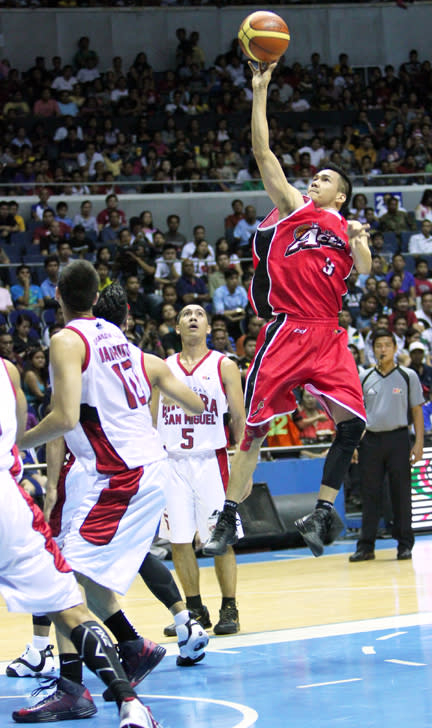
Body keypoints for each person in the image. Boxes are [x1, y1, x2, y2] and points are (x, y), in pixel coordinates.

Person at [18, 261, 207, 718]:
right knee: (83, 574)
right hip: (138, 467)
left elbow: (63, 418)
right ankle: (131, 645)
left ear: (58, 296)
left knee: (63, 578)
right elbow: (196, 402)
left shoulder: (67, 339)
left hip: (120, 473)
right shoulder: (117, 336)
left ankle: (75, 689)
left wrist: (14, 442)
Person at [203, 60, 371, 560]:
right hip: (288, 331)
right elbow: (262, 152)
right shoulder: (298, 210)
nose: (312, 181)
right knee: (252, 428)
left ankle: (322, 512)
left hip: (328, 334)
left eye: (322, 179)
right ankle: (229, 515)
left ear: (341, 194)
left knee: (353, 424)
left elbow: (363, 267)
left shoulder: (346, 229)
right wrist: (260, 90)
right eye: (312, 177)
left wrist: (361, 241)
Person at [0, 357, 162, 728]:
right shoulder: (8, 371)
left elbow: (59, 424)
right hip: (11, 501)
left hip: (104, 478)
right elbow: (20, 441)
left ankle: (86, 674)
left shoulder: (69, 352)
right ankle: (128, 693)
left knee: (75, 581)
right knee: (69, 600)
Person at [153, 304, 245, 635]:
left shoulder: (224, 365)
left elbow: (238, 417)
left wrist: (243, 468)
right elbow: (151, 420)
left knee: (220, 538)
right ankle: (194, 608)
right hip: (171, 462)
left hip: (211, 461)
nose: (192, 317)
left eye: (199, 314)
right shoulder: (162, 367)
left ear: (208, 327)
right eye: (186, 314)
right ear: (176, 327)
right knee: (179, 540)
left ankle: (229, 607)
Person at [349, 329, 424, 562]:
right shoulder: (364, 376)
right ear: (372, 350)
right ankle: (366, 546)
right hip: (370, 440)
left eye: (387, 345)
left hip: (399, 438)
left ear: (395, 348)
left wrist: (419, 442)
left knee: (401, 493)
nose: (383, 349)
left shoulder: (407, 375)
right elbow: (356, 412)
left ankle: (404, 544)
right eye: (378, 345)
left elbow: (417, 411)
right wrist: (352, 443)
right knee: (370, 493)